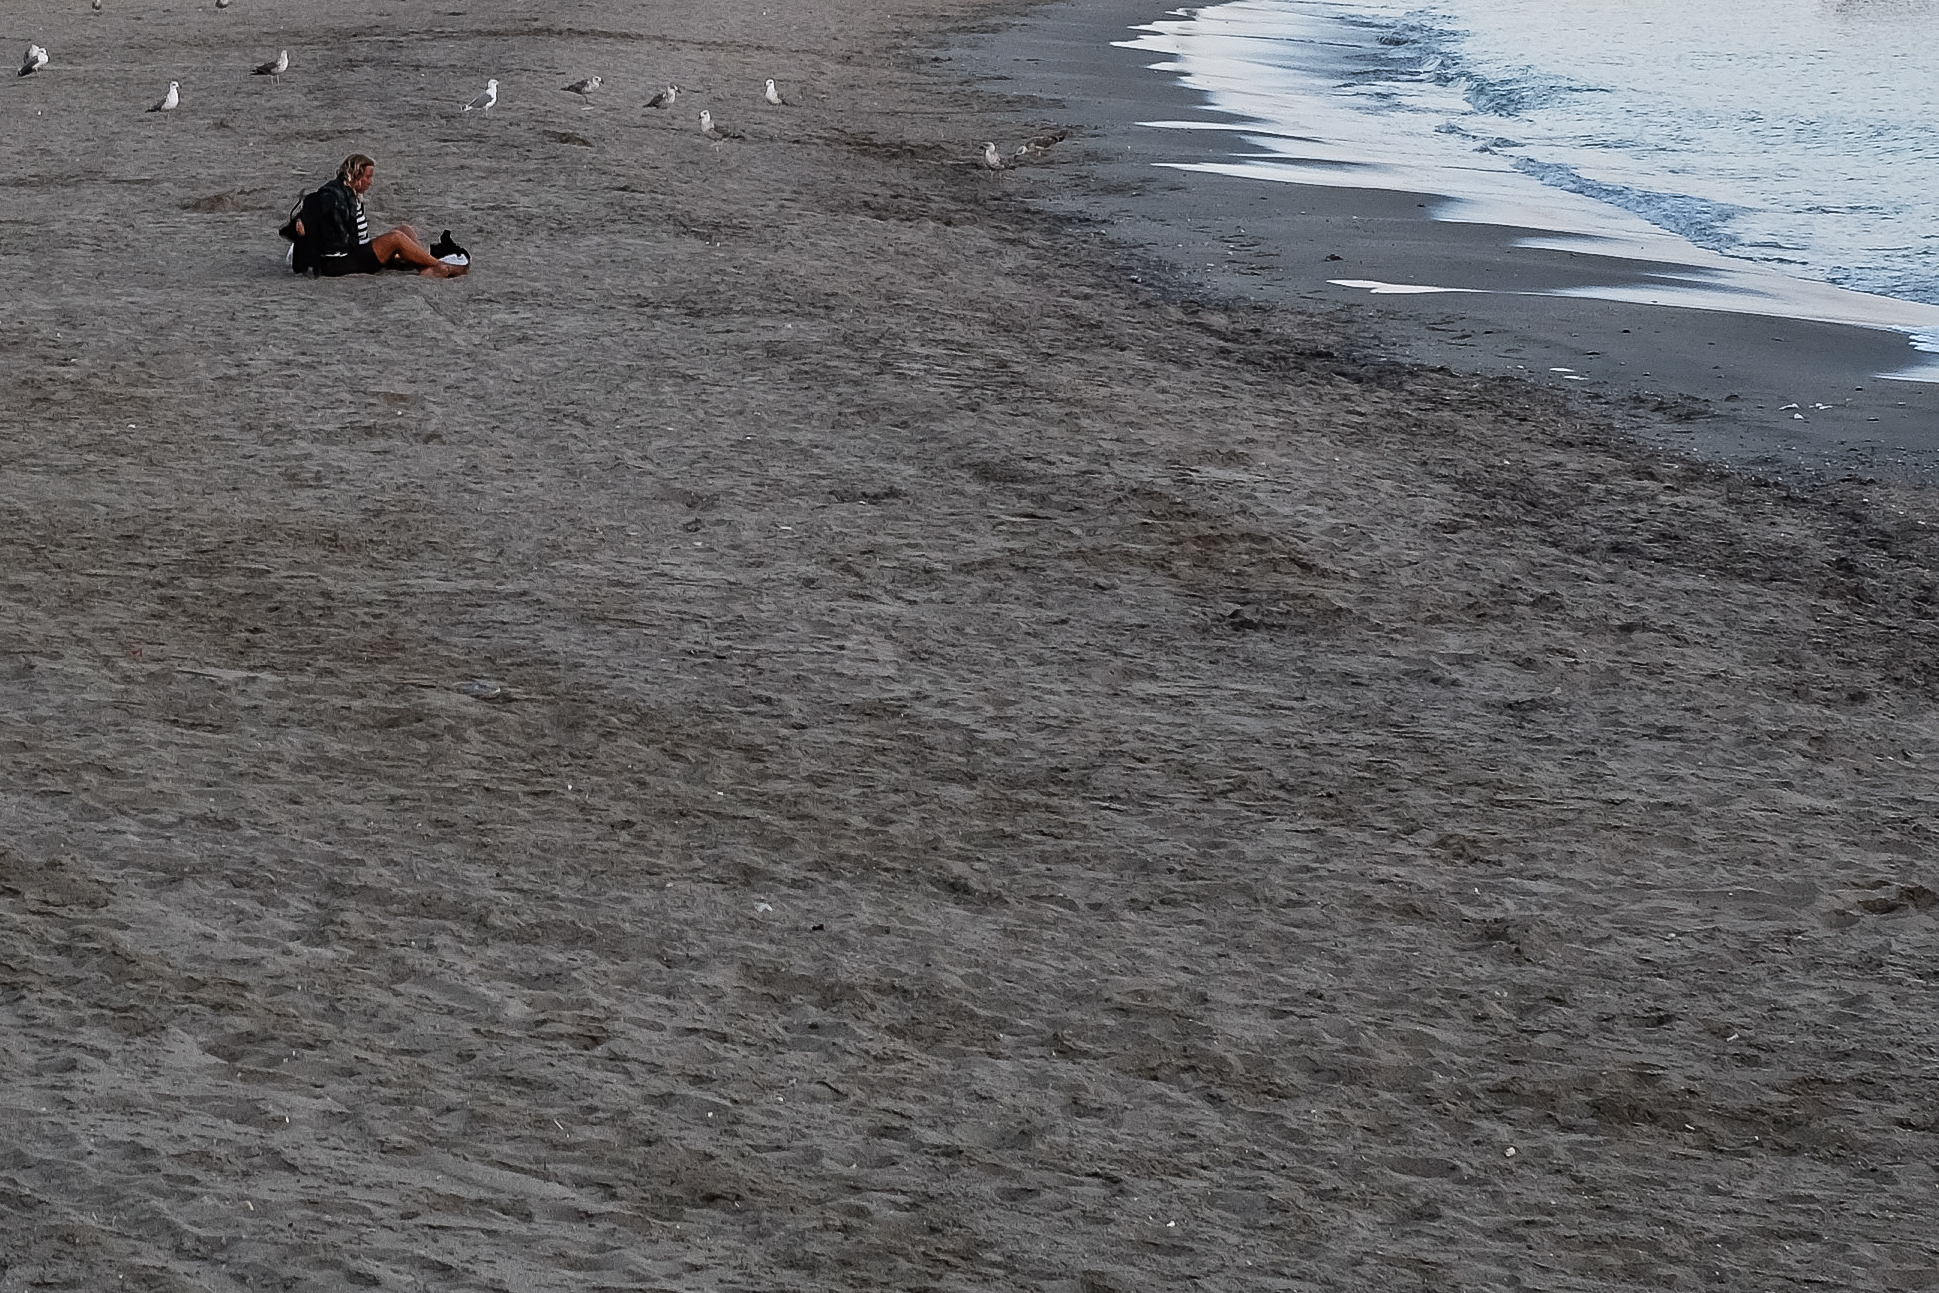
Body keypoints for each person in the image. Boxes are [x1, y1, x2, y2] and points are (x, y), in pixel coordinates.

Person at [292, 154, 466, 278]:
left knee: (405, 230)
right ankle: (438, 265)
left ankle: (423, 267)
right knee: (396, 238)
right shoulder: (334, 194)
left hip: (359, 249)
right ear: (357, 176)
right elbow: (314, 204)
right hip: (340, 262)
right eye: (368, 177)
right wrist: (301, 219)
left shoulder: (351, 193)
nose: (371, 182)